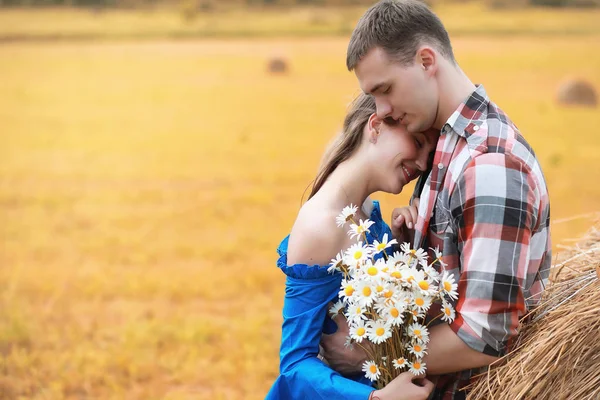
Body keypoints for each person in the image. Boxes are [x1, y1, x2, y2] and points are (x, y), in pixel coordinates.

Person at [320, 1, 552, 399]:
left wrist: (367, 353)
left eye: (385, 89)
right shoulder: (445, 145)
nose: (382, 111)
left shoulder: (490, 164)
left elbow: (485, 334)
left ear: (426, 60)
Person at [266, 93, 438, 400]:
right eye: (417, 141)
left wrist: (399, 248)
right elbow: (294, 363)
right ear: (376, 127)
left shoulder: (366, 208)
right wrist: (376, 399)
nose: (424, 163)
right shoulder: (321, 225)